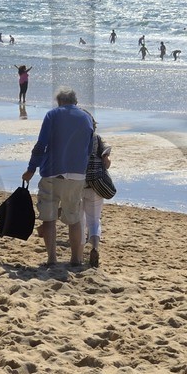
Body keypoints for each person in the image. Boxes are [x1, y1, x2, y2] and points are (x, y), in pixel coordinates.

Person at [22, 88, 95, 268]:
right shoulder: (86, 118)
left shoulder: (52, 115)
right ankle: (76, 259)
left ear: (59, 101)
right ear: (75, 102)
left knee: (49, 218)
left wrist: (31, 169)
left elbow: (41, 145)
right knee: (74, 218)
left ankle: (52, 259)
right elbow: (89, 148)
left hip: (52, 173)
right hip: (77, 174)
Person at [81, 123, 112, 268]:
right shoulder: (97, 139)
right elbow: (107, 163)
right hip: (95, 185)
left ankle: (78, 253)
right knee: (94, 221)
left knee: (78, 220)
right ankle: (94, 247)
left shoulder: (73, 139)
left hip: (77, 183)